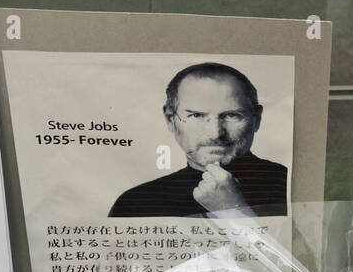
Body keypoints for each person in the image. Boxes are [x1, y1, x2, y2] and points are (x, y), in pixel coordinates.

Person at [109, 62, 287, 218]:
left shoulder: (289, 186)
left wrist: (233, 211)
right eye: (196, 115)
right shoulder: (134, 204)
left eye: (232, 115)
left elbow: (300, 257)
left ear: (257, 119)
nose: (215, 134)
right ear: (170, 120)